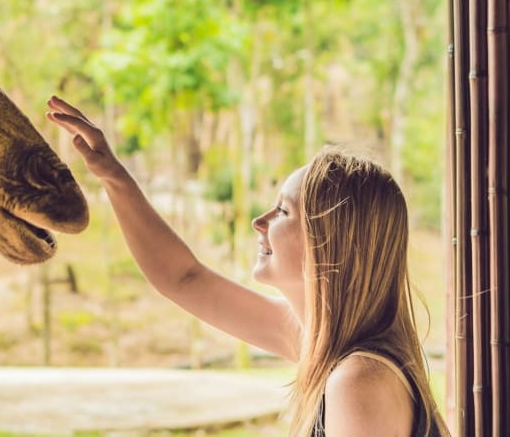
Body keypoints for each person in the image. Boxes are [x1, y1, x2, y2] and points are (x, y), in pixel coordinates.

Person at [46, 95, 449, 436]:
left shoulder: (360, 379)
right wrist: (114, 177)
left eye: (283, 211)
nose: (260, 222)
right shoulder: (322, 341)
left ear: (331, 240)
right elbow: (184, 279)